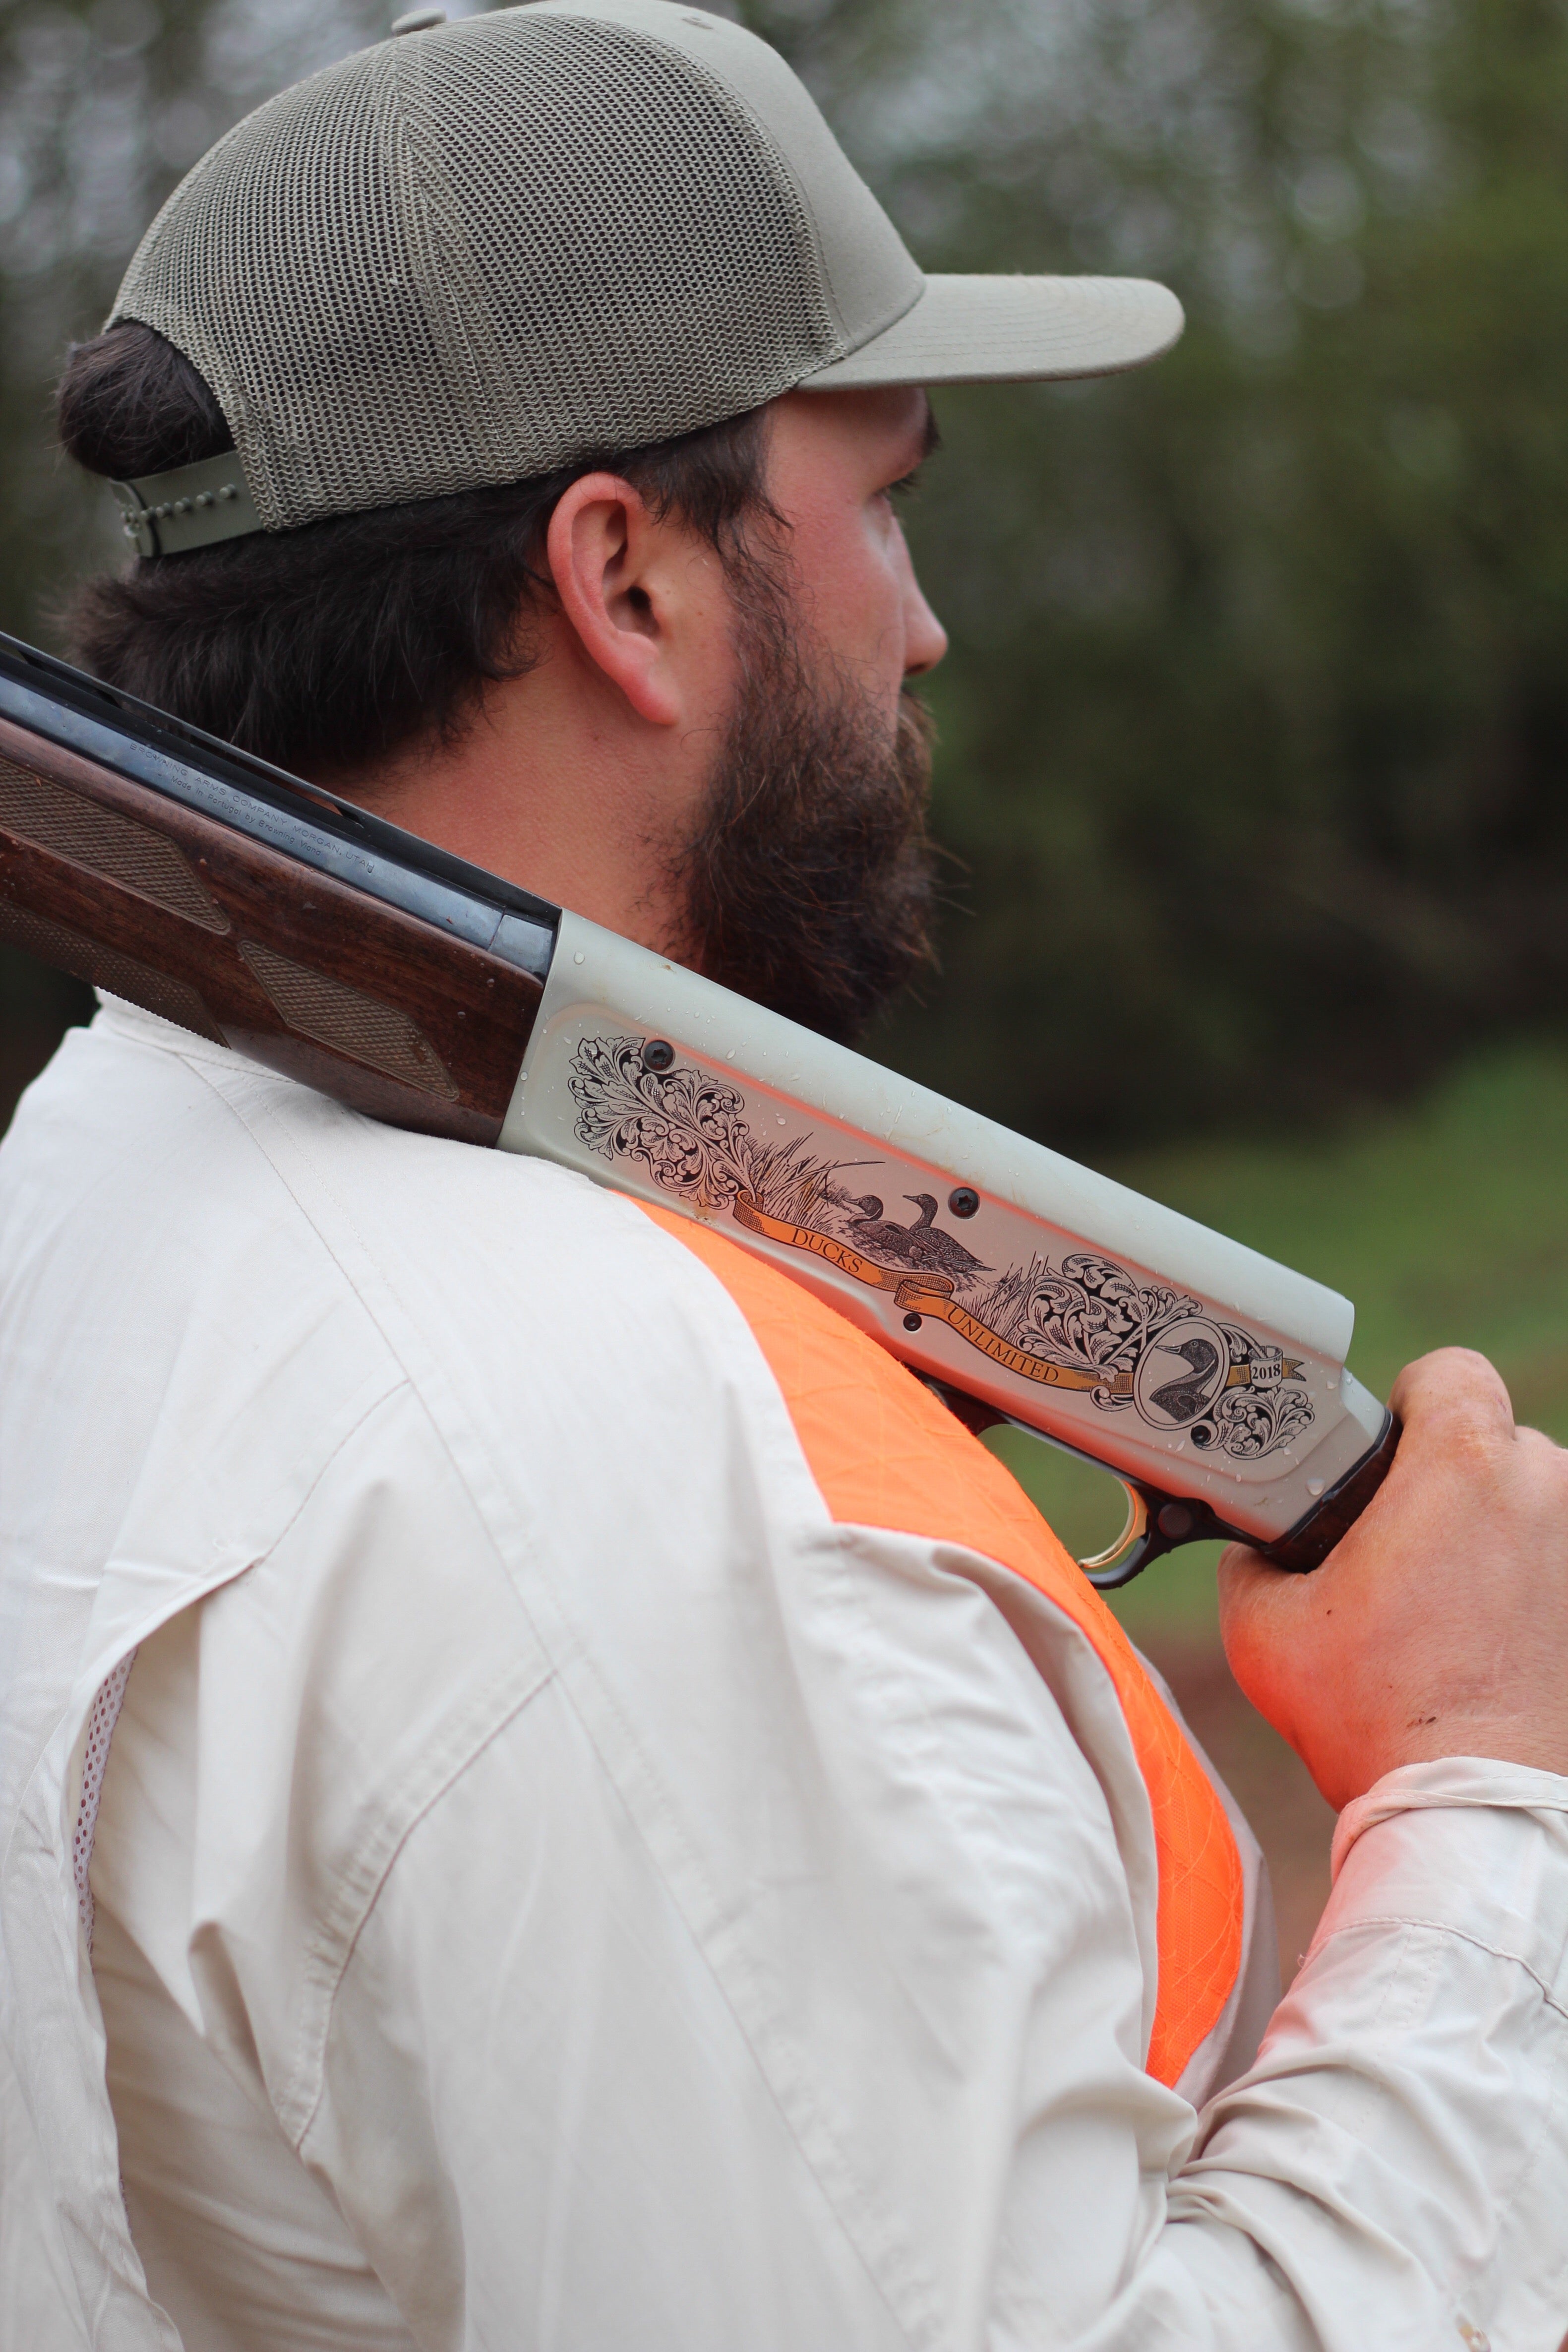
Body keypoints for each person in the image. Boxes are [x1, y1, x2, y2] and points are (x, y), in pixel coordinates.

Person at [2, 5, 1567, 2348]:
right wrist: (1479, 1792)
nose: (921, 620)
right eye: (886, 499)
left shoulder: (102, 1176)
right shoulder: (618, 1458)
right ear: (626, 581)